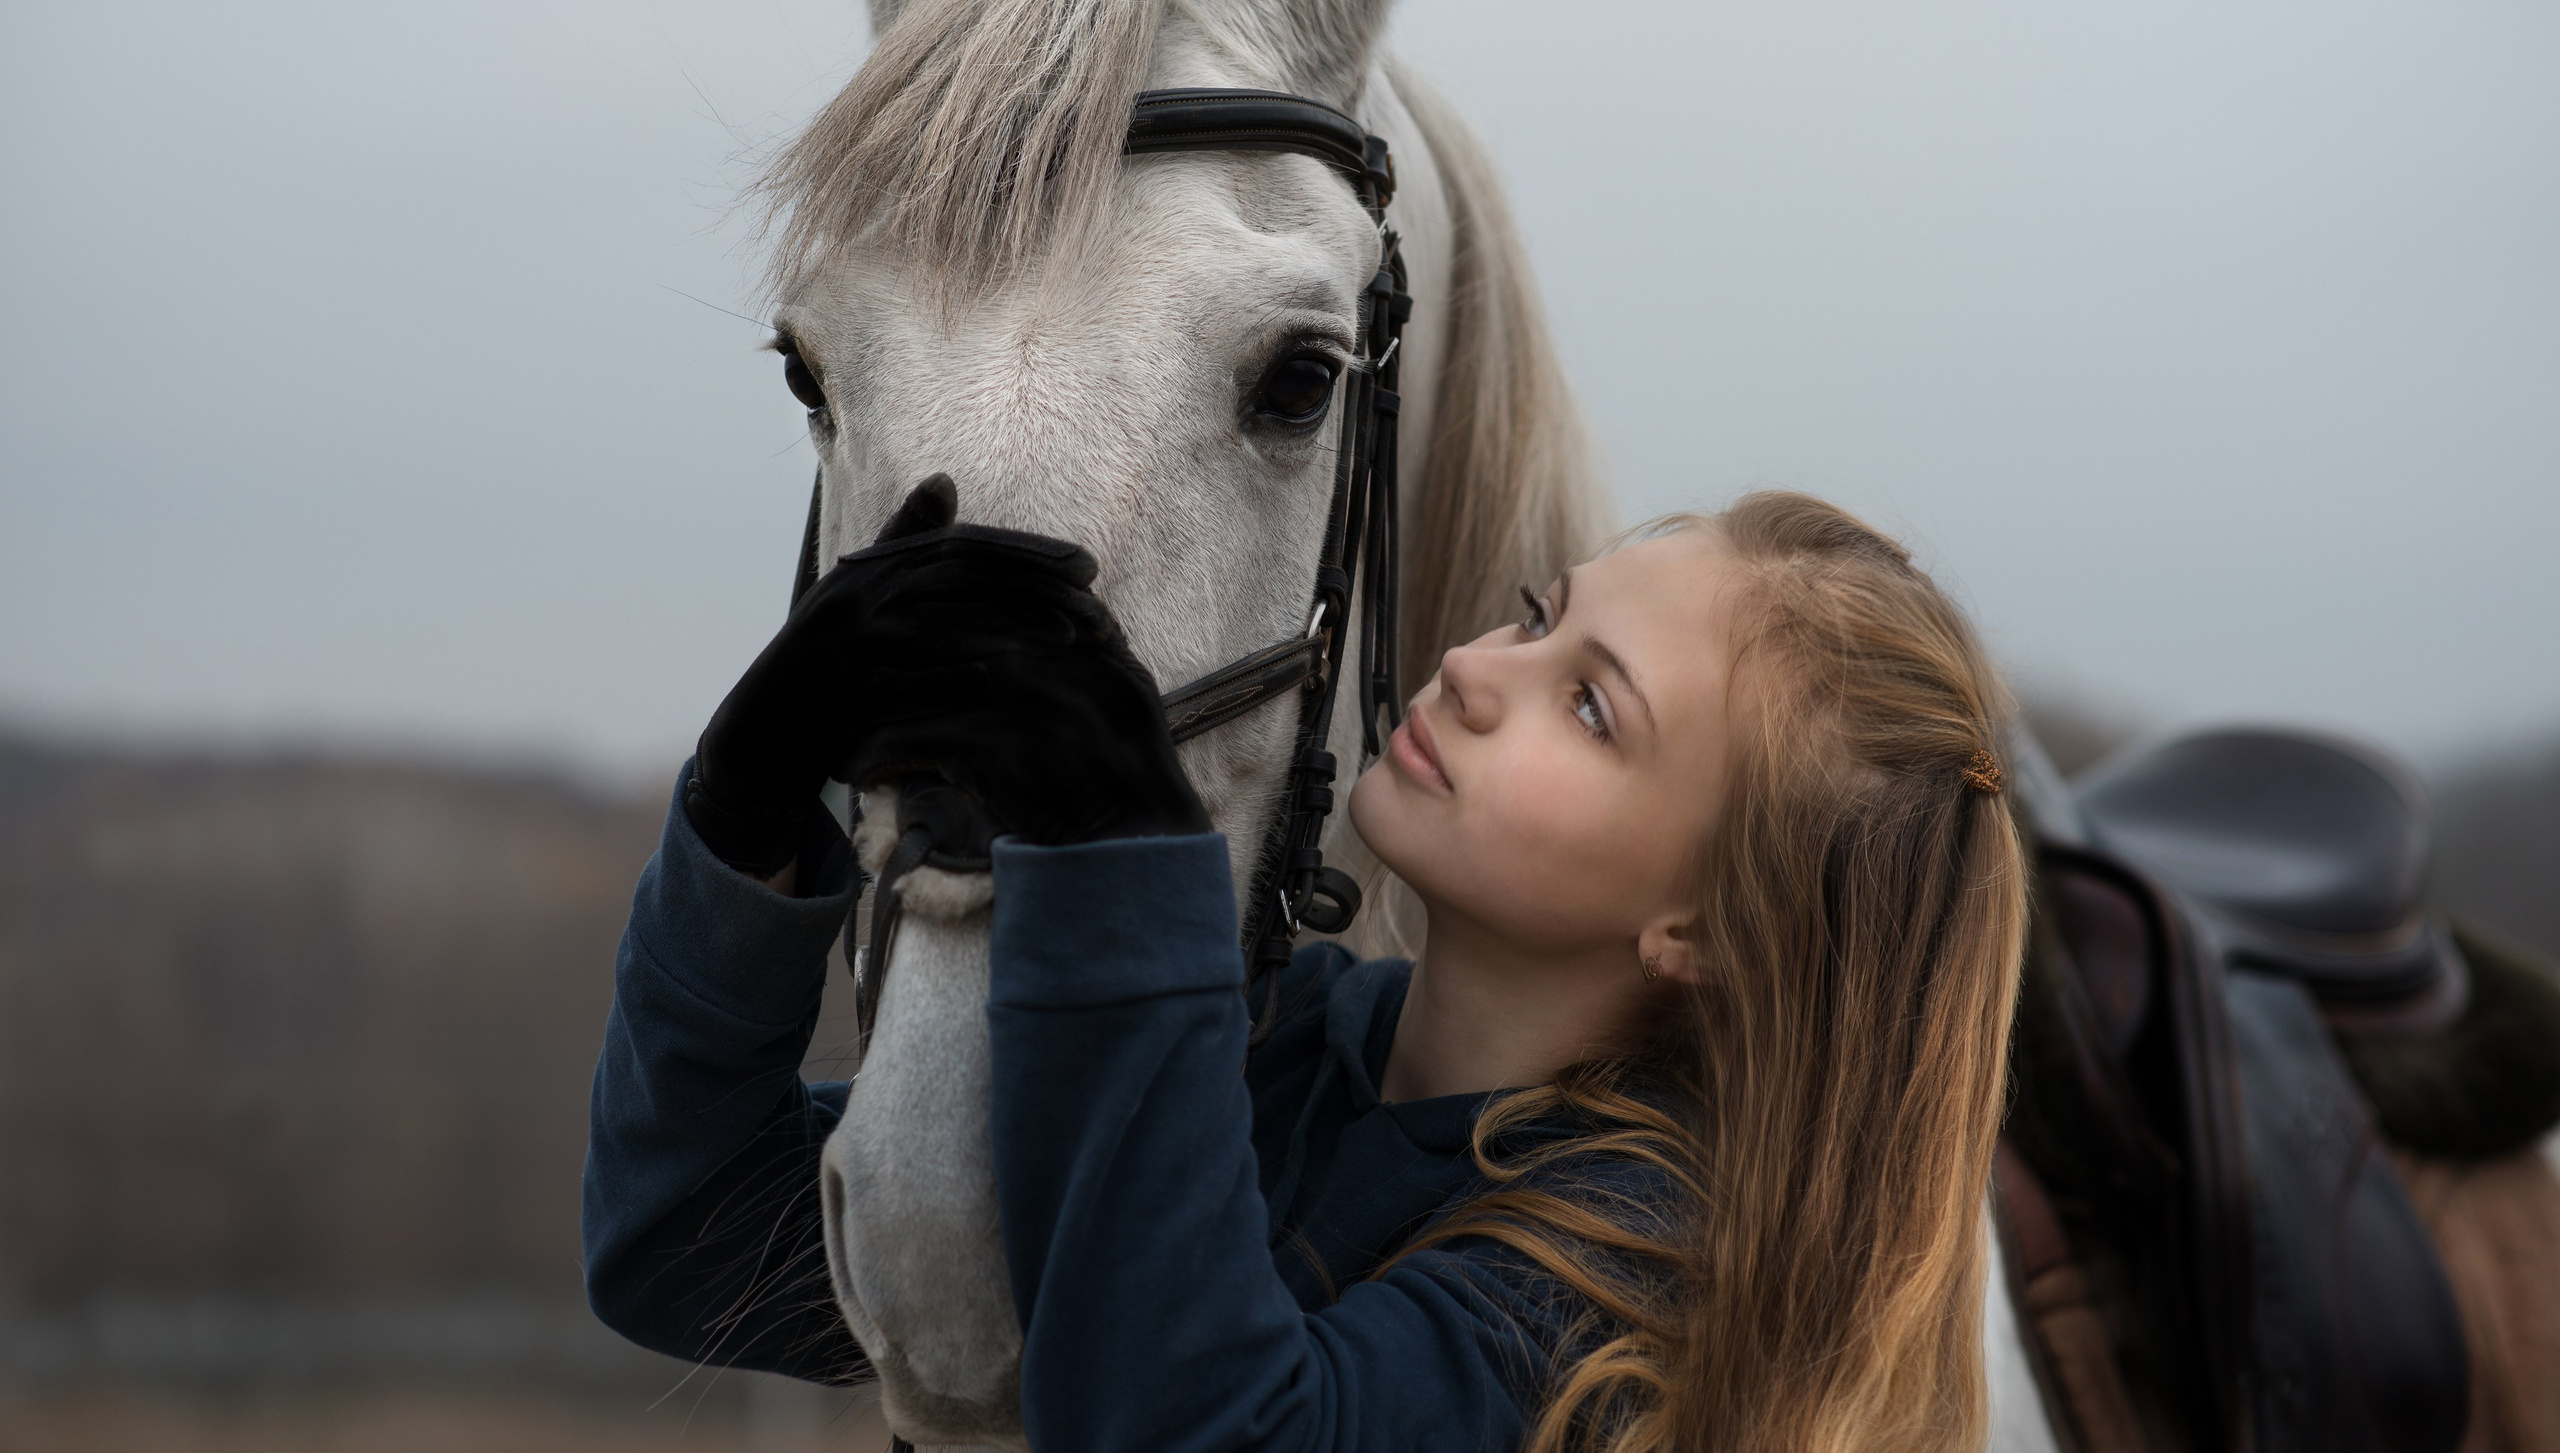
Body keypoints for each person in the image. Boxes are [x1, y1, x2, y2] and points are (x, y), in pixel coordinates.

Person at [584, 482, 2028, 1453]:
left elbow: (1215, 1432)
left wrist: (1125, 858)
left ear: (1701, 930)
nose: (1479, 669)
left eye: (1591, 706)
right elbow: (691, 1244)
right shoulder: (1272, 1044)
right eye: (1537, 617)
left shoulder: (1630, 1279)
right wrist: (751, 809)